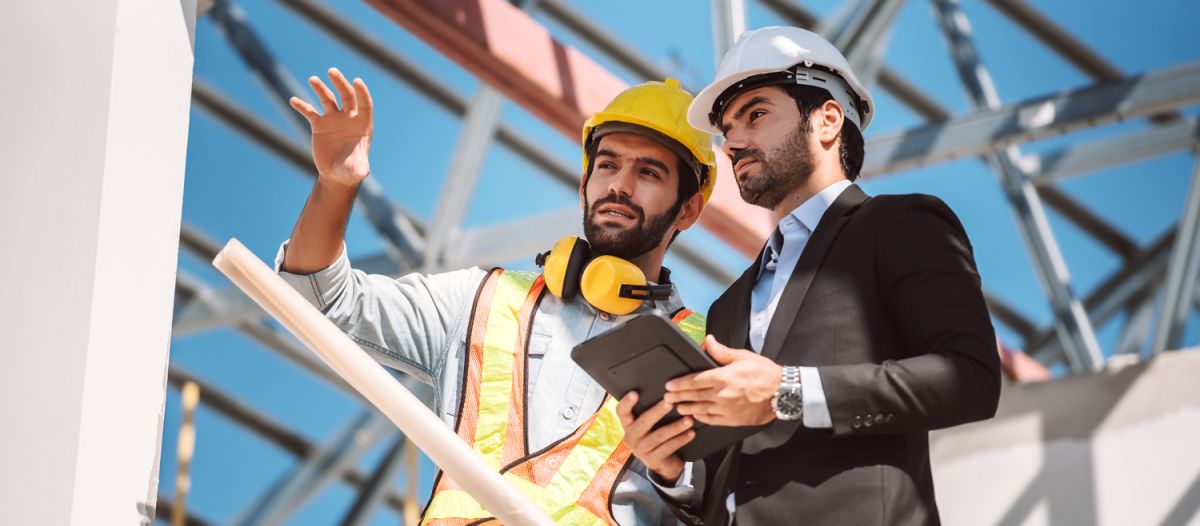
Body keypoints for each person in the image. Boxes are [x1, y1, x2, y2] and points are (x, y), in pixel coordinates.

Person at [275, 68, 717, 525]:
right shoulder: (481, 300)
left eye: (648, 172)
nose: (619, 185)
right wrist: (336, 185)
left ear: (688, 208)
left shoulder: (704, 351)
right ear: (584, 183)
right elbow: (317, 299)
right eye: (607, 164)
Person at [618, 27, 1001, 525]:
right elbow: (726, 480)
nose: (732, 142)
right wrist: (672, 472)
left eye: (755, 114)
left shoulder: (900, 225)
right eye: (727, 129)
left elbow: (970, 379)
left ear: (827, 120)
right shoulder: (729, 305)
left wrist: (787, 391)